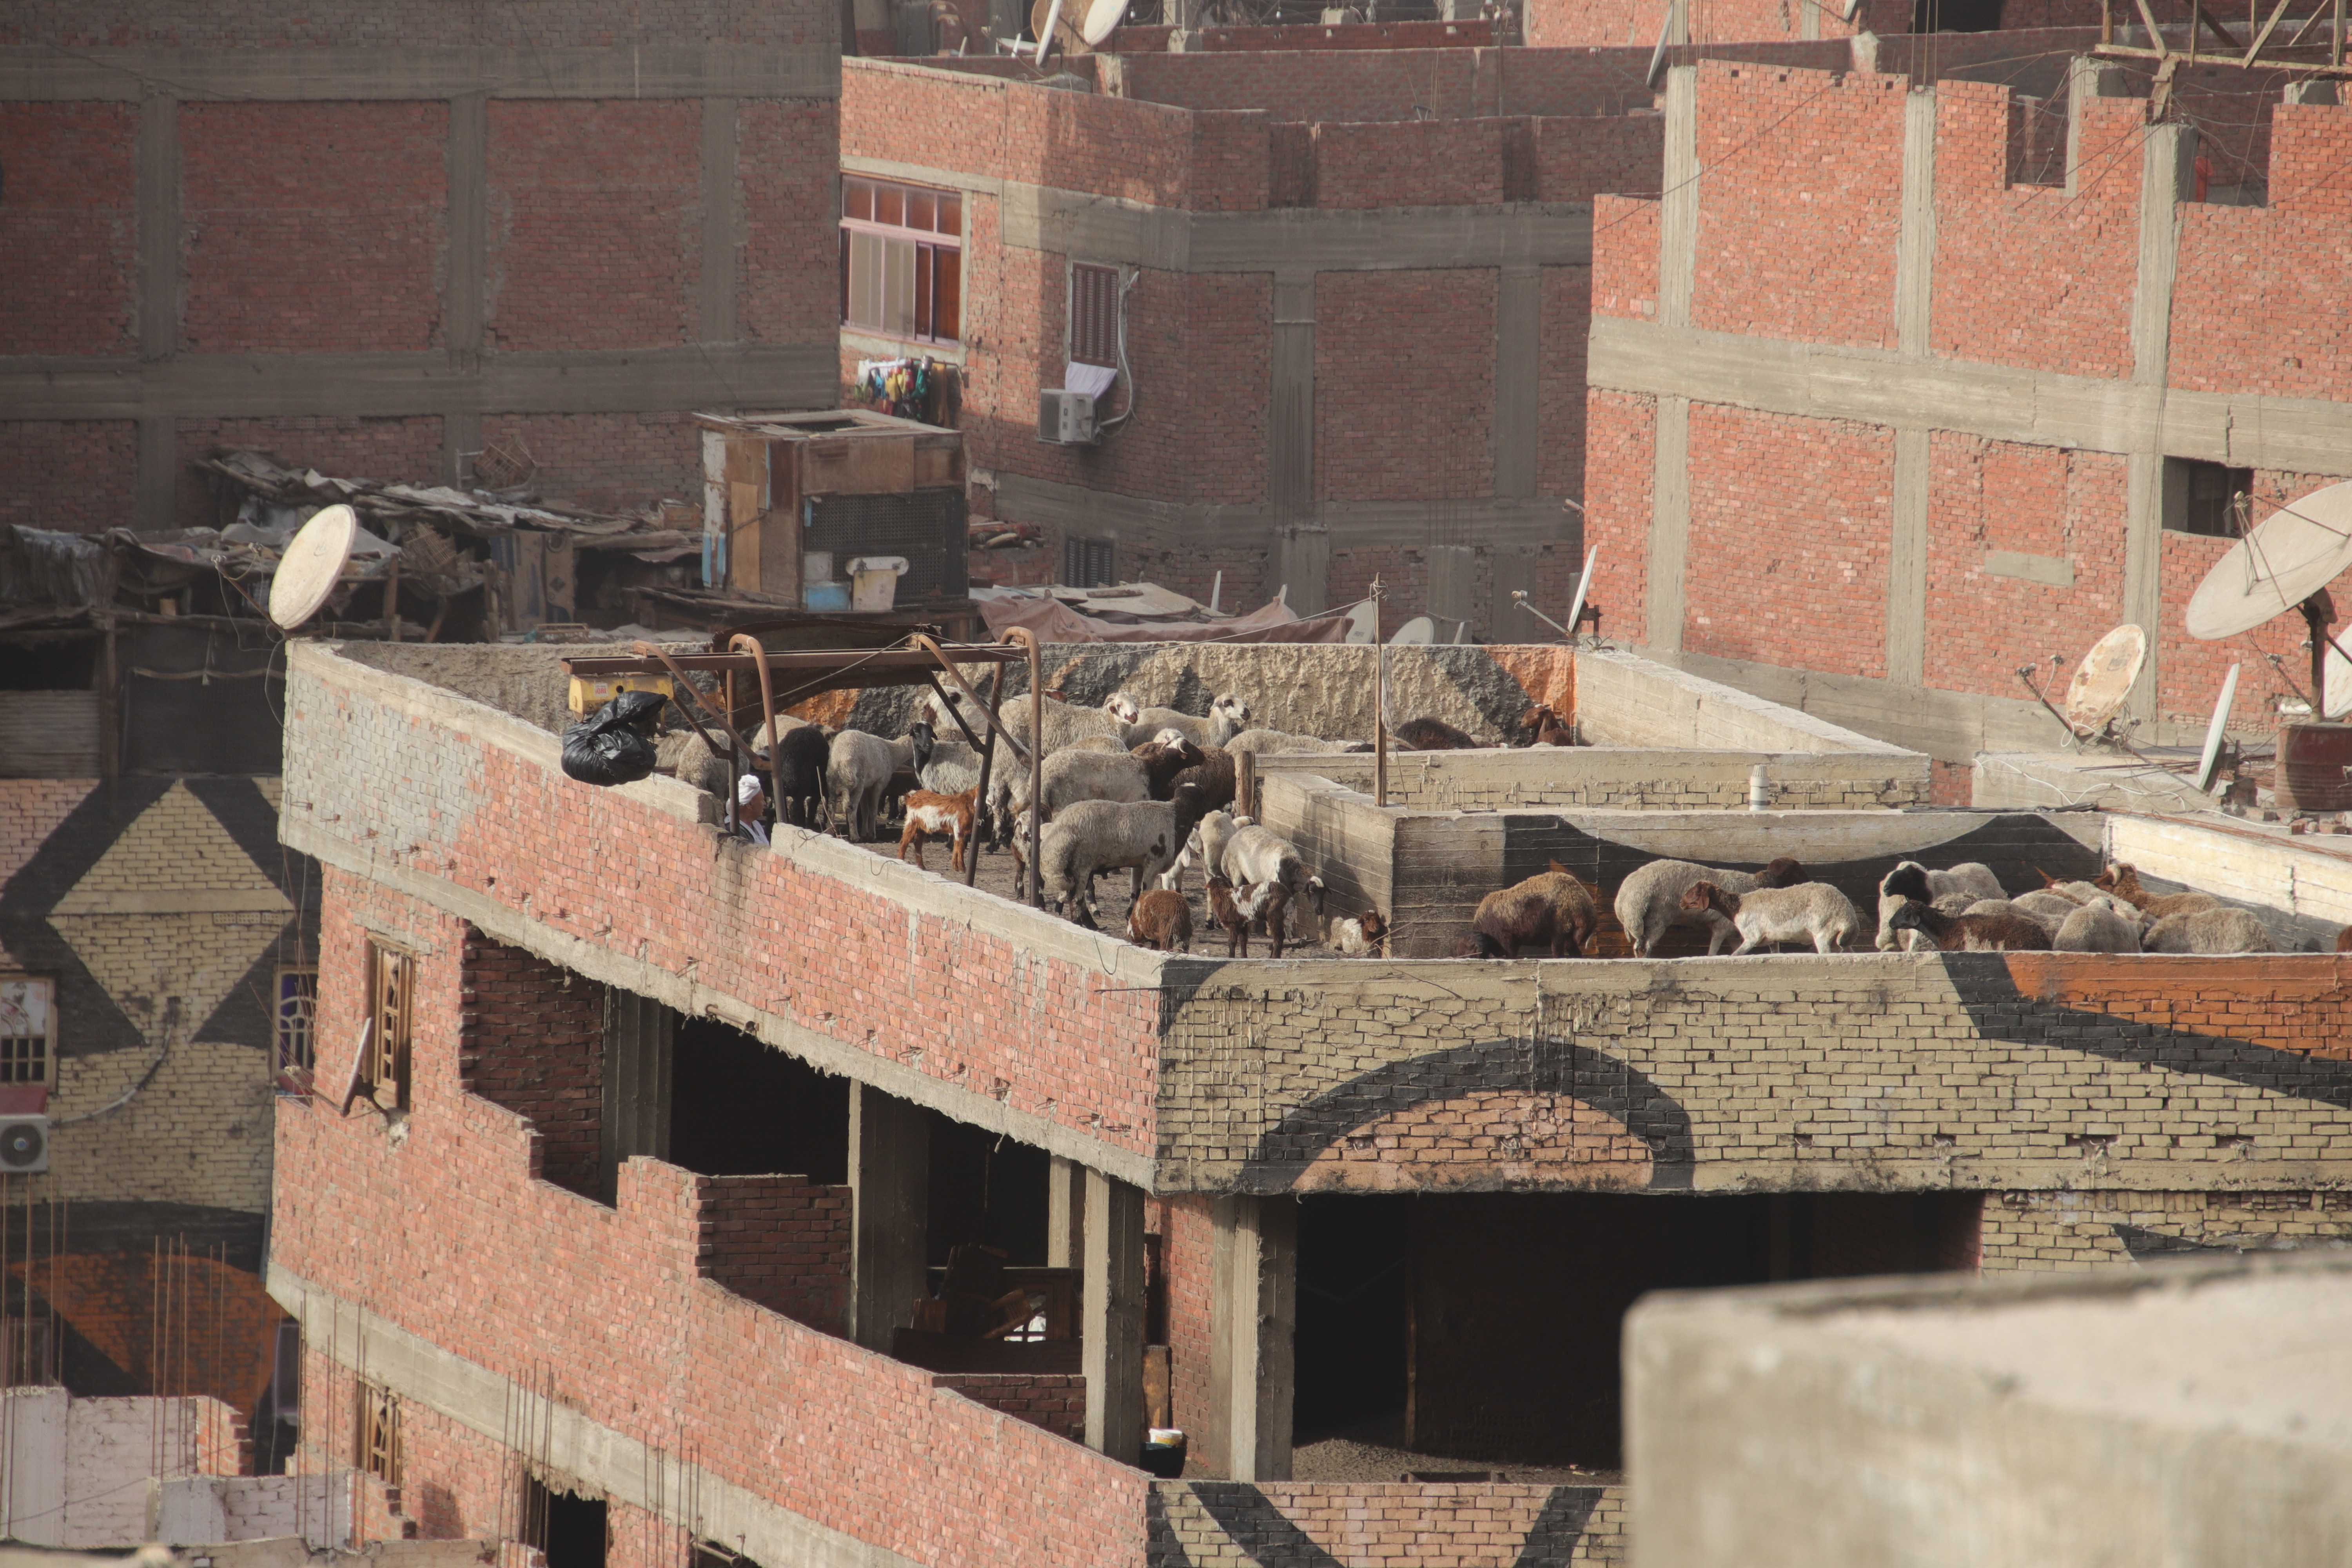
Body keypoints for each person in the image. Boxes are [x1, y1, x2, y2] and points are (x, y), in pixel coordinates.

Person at [735, 774, 770, 846]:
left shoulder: (756, 824)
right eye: (762, 800)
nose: (765, 804)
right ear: (750, 805)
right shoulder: (738, 830)